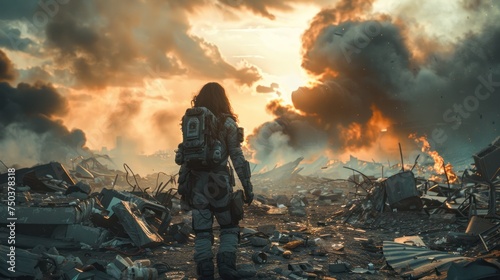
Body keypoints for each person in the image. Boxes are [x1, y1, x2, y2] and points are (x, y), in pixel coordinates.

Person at [176, 82, 254, 280]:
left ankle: (205, 271)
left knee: (202, 230)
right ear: (223, 99)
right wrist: (247, 187)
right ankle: (226, 267)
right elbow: (237, 157)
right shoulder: (227, 123)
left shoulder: (191, 121)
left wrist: (183, 186)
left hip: (196, 183)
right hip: (219, 183)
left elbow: (185, 157)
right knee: (229, 226)